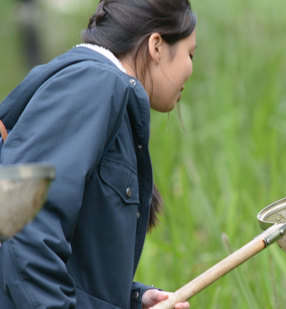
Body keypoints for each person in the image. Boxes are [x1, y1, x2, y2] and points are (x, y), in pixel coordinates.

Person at [0, 0, 196, 308]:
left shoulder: (102, 90)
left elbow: (73, 258)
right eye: (190, 54)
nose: (190, 69)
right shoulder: (95, 84)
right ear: (156, 45)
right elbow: (22, 225)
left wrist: (133, 299)